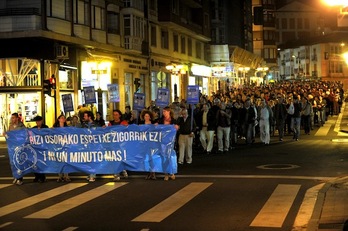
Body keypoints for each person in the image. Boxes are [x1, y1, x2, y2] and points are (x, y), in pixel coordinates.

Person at [158, 106, 179, 181]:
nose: (164, 113)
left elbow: (177, 129)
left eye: (165, 111)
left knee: (170, 156)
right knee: (164, 157)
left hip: (170, 142)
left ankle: (171, 172)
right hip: (162, 141)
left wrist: (177, 127)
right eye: (163, 112)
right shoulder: (161, 120)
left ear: (169, 111)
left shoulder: (173, 121)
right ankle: (166, 173)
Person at [108, 109, 129, 181]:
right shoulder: (110, 123)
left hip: (122, 144)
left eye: (116, 114)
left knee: (121, 157)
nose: (115, 116)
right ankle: (116, 173)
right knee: (115, 158)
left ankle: (123, 170)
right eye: (114, 115)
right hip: (113, 143)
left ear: (119, 115)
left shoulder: (123, 122)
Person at [82, 111, 100, 182]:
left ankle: (92, 175)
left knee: (93, 159)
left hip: (94, 145)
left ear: (89, 117)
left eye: (85, 116)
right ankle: (90, 174)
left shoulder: (96, 125)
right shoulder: (84, 125)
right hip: (87, 145)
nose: (84, 117)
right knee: (88, 160)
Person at [9, 113, 26, 185]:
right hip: (12, 146)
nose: (12, 119)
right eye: (11, 118)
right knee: (13, 162)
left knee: (19, 162)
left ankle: (20, 178)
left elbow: (25, 134)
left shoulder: (21, 126)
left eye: (13, 118)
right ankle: (16, 176)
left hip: (19, 146)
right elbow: (9, 135)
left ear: (17, 118)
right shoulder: (11, 126)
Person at [139, 109, 157, 180]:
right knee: (146, 159)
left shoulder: (153, 124)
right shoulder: (141, 125)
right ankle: (148, 173)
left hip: (151, 143)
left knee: (152, 158)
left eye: (148, 116)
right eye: (145, 116)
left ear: (150, 117)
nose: (146, 117)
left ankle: (153, 173)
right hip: (144, 144)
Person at [53, 115, 71, 182]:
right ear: (58, 119)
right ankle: (60, 176)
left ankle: (66, 176)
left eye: (64, 118)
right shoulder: (55, 128)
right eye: (62, 118)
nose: (63, 119)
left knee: (66, 161)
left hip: (65, 146)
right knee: (59, 161)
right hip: (58, 146)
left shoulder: (67, 128)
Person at [32, 115, 48, 183]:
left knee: (41, 162)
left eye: (39, 121)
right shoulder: (34, 128)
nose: (38, 123)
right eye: (37, 121)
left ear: (41, 121)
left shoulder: (45, 127)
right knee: (35, 162)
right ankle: (37, 176)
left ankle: (42, 177)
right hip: (36, 148)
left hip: (43, 147)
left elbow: (48, 135)